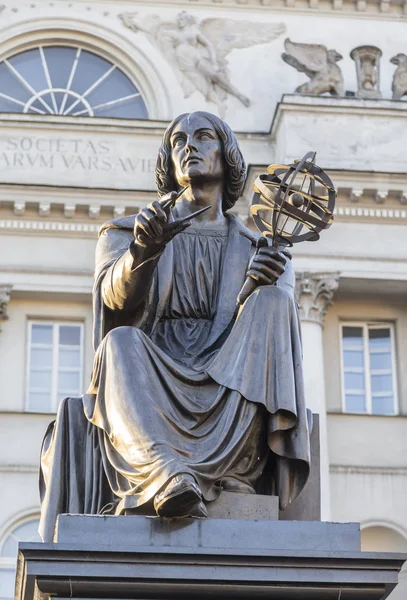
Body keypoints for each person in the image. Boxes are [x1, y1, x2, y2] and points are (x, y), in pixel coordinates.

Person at [39, 111, 310, 539]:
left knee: (275, 302)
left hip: (227, 376)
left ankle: (236, 467)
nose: (189, 146)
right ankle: (164, 472)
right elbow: (115, 301)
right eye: (178, 140)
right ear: (169, 160)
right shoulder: (129, 232)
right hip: (150, 373)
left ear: (228, 155)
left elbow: (263, 341)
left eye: (203, 137)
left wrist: (257, 286)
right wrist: (143, 251)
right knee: (119, 343)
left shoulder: (257, 247)